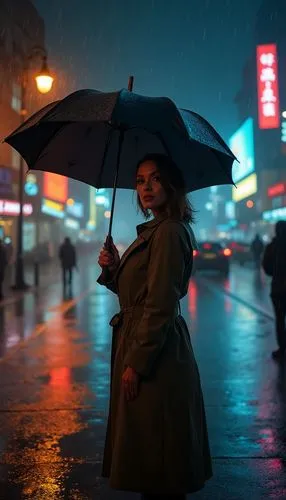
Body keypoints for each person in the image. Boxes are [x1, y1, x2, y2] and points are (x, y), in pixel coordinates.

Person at [97, 153, 212, 499]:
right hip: (146, 347)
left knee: (159, 464)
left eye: (155, 178)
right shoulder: (155, 231)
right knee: (152, 464)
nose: (146, 187)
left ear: (171, 185)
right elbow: (139, 292)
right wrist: (114, 269)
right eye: (140, 180)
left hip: (156, 358)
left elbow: (160, 304)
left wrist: (137, 362)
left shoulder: (168, 232)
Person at [262, 220, 286, 360]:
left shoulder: (272, 247)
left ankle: (282, 348)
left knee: (279, 319)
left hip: (277, 289)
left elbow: (266, 267)